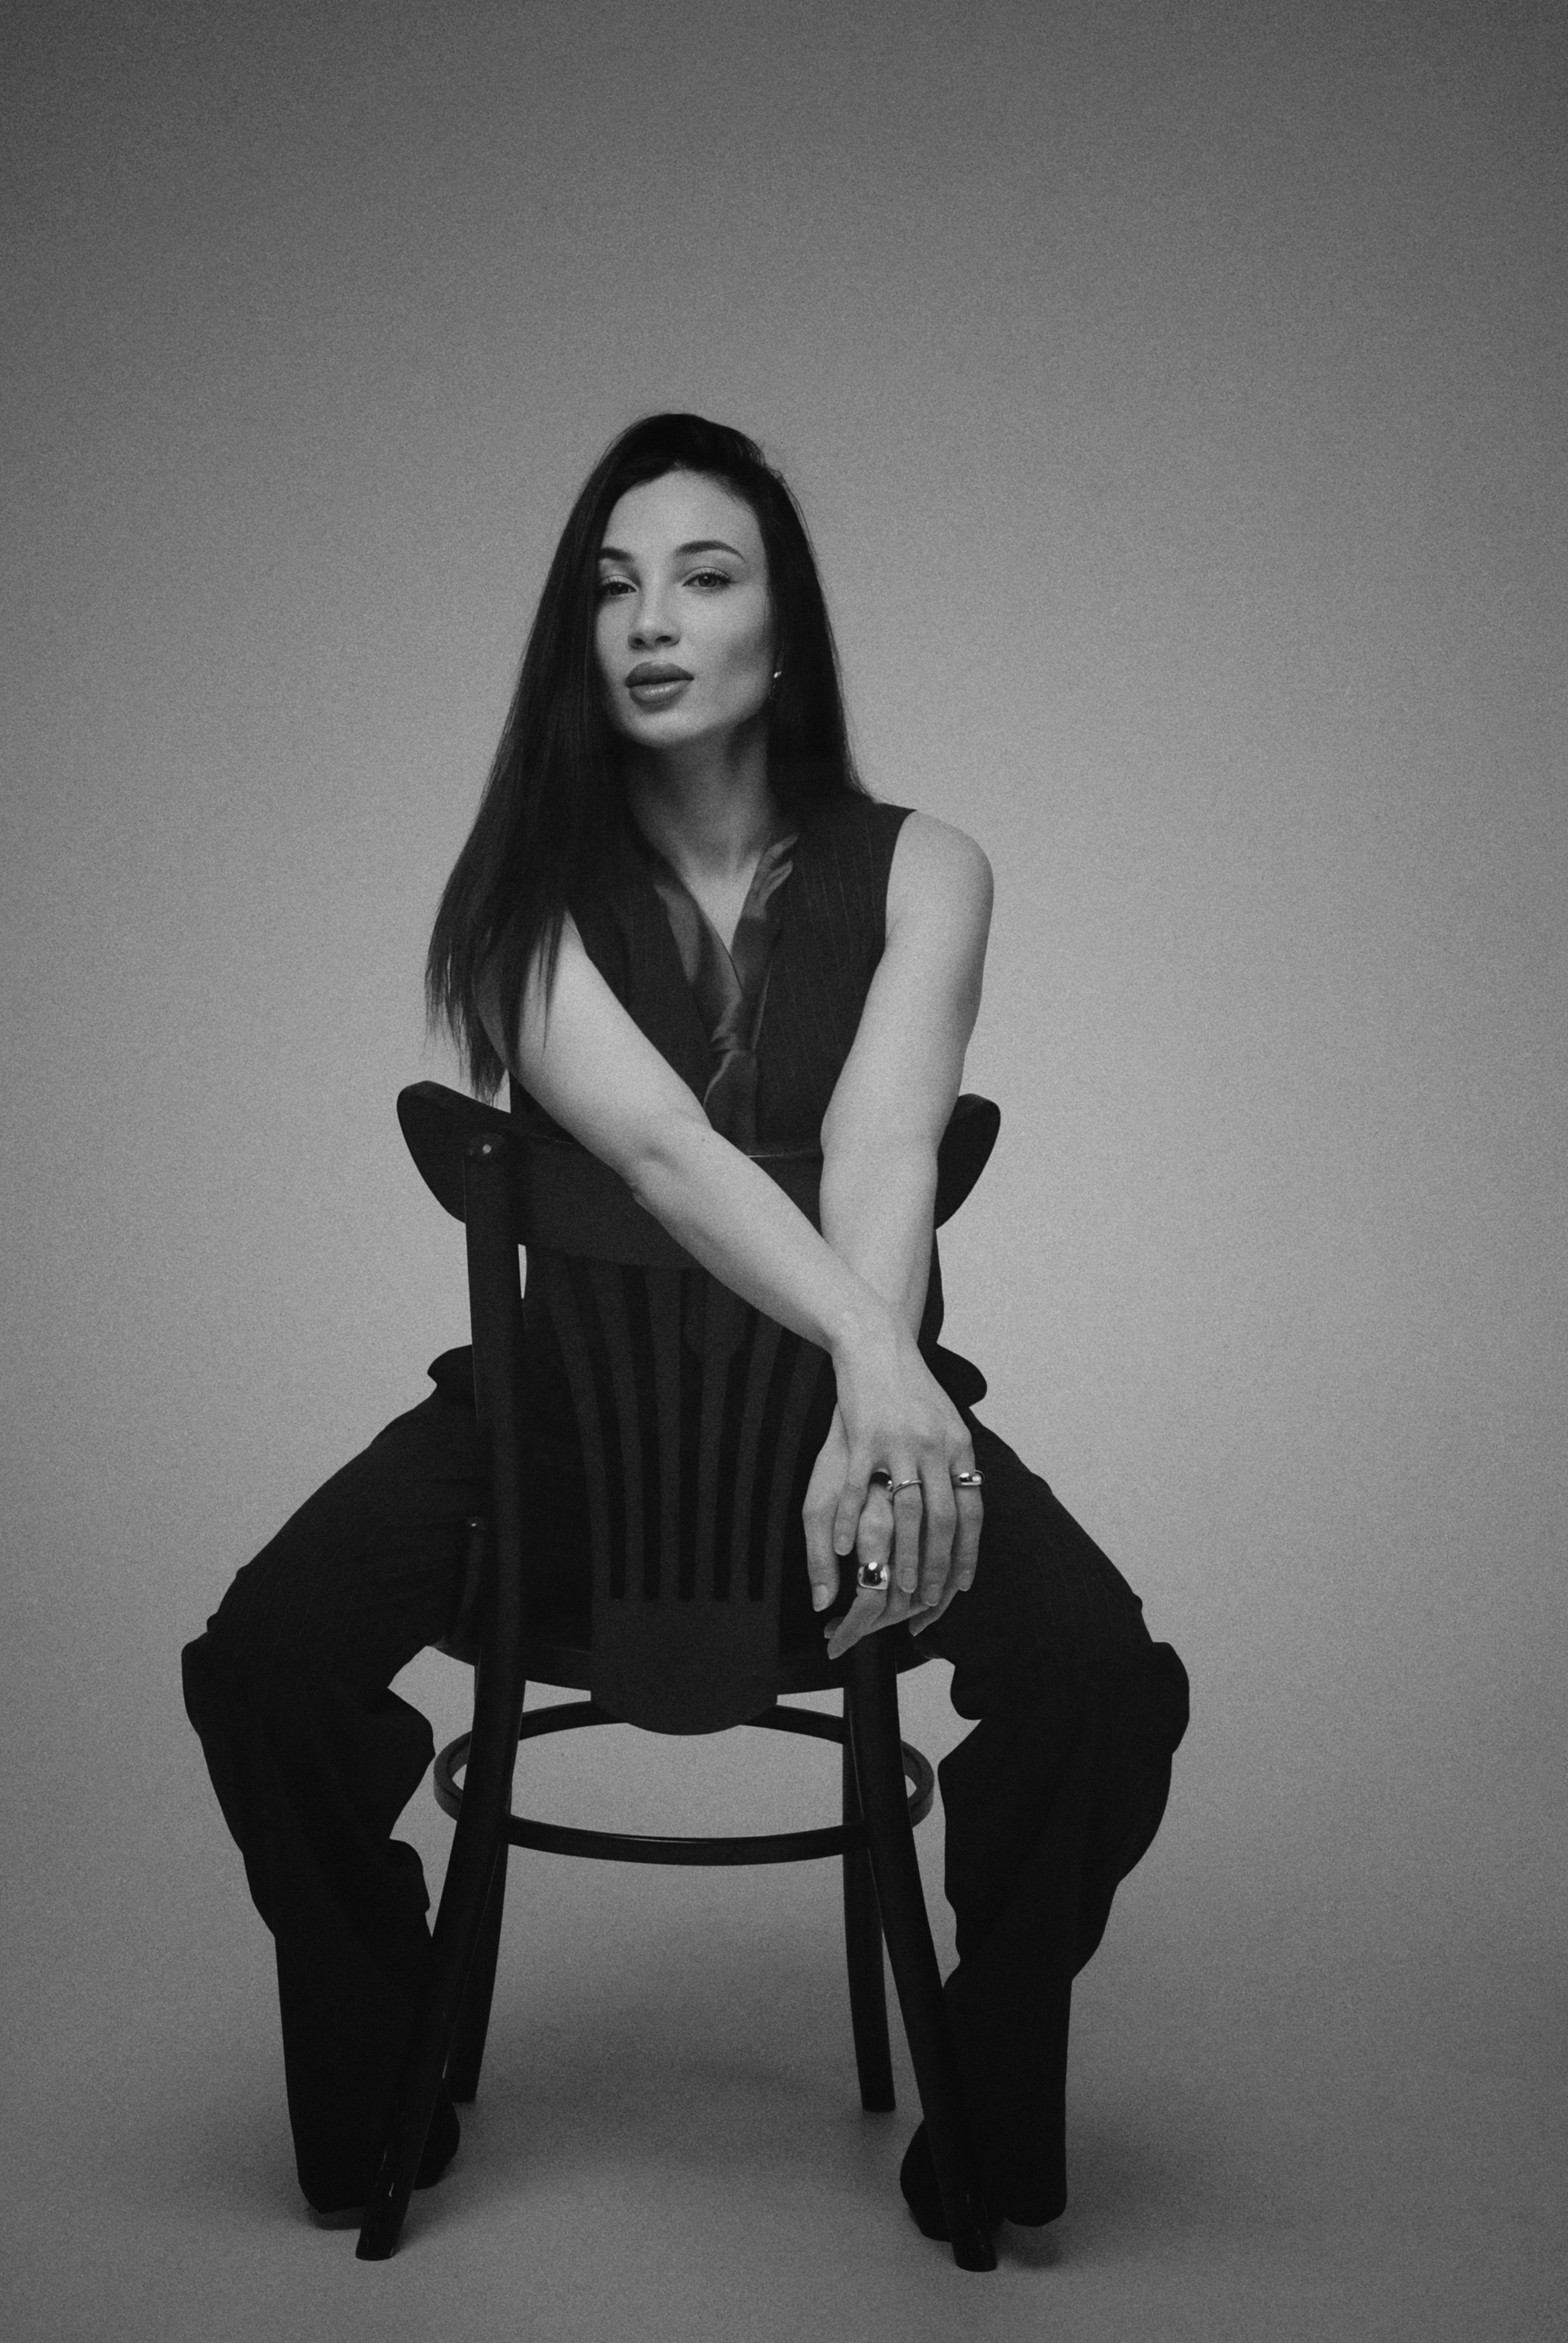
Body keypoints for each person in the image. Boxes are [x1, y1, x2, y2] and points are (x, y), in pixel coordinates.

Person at [182, 412, 1189, 2238]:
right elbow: (659, 1153)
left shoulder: (929, 865)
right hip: (558, 1446)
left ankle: (984, 2089)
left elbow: (885, 1144)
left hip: (852, 1439)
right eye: (612, 586)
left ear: (782, 635)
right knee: (261, 1659)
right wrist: (883, 1354)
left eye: (703, 577)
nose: (651, 619)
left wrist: (873, 1406)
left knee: (1105, 1683)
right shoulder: (519, 896)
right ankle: (387, 2046)